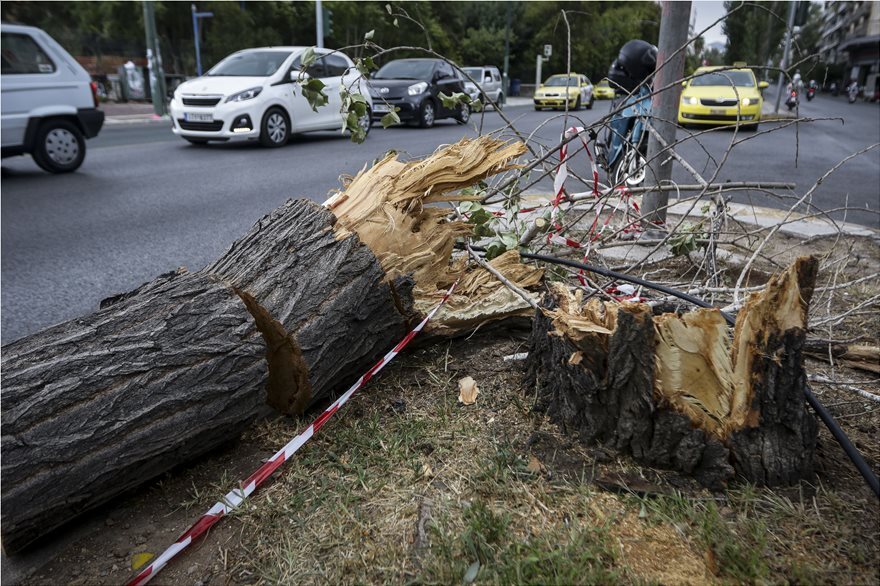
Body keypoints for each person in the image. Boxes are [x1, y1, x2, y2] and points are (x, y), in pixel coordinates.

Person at [600, 39, 658, 174]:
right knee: (618, 124)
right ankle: (612, 156)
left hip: (638, 97)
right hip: (629, 97)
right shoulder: (623, 70)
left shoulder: (646, 65)